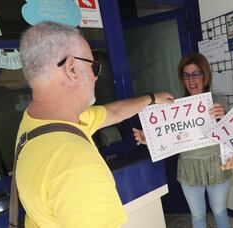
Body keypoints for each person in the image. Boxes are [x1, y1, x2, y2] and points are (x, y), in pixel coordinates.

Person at [16, 21, 174, 228]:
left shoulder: (37, 122)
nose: (96, 76)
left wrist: (151, 98)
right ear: (72, 68)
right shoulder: (78, 164)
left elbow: (113, 112)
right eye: (93, 66)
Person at [132, 52, 233, 228]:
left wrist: (225, 118)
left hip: (217, 165)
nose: (191, 80)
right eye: (186, 75)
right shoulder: (174, 106)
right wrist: (149, 139)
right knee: (197, 216)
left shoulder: (219, 102)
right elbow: (168, 136)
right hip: (189, 167)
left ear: (205, 76)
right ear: (182, 79)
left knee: (220, 211)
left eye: (196, 73)